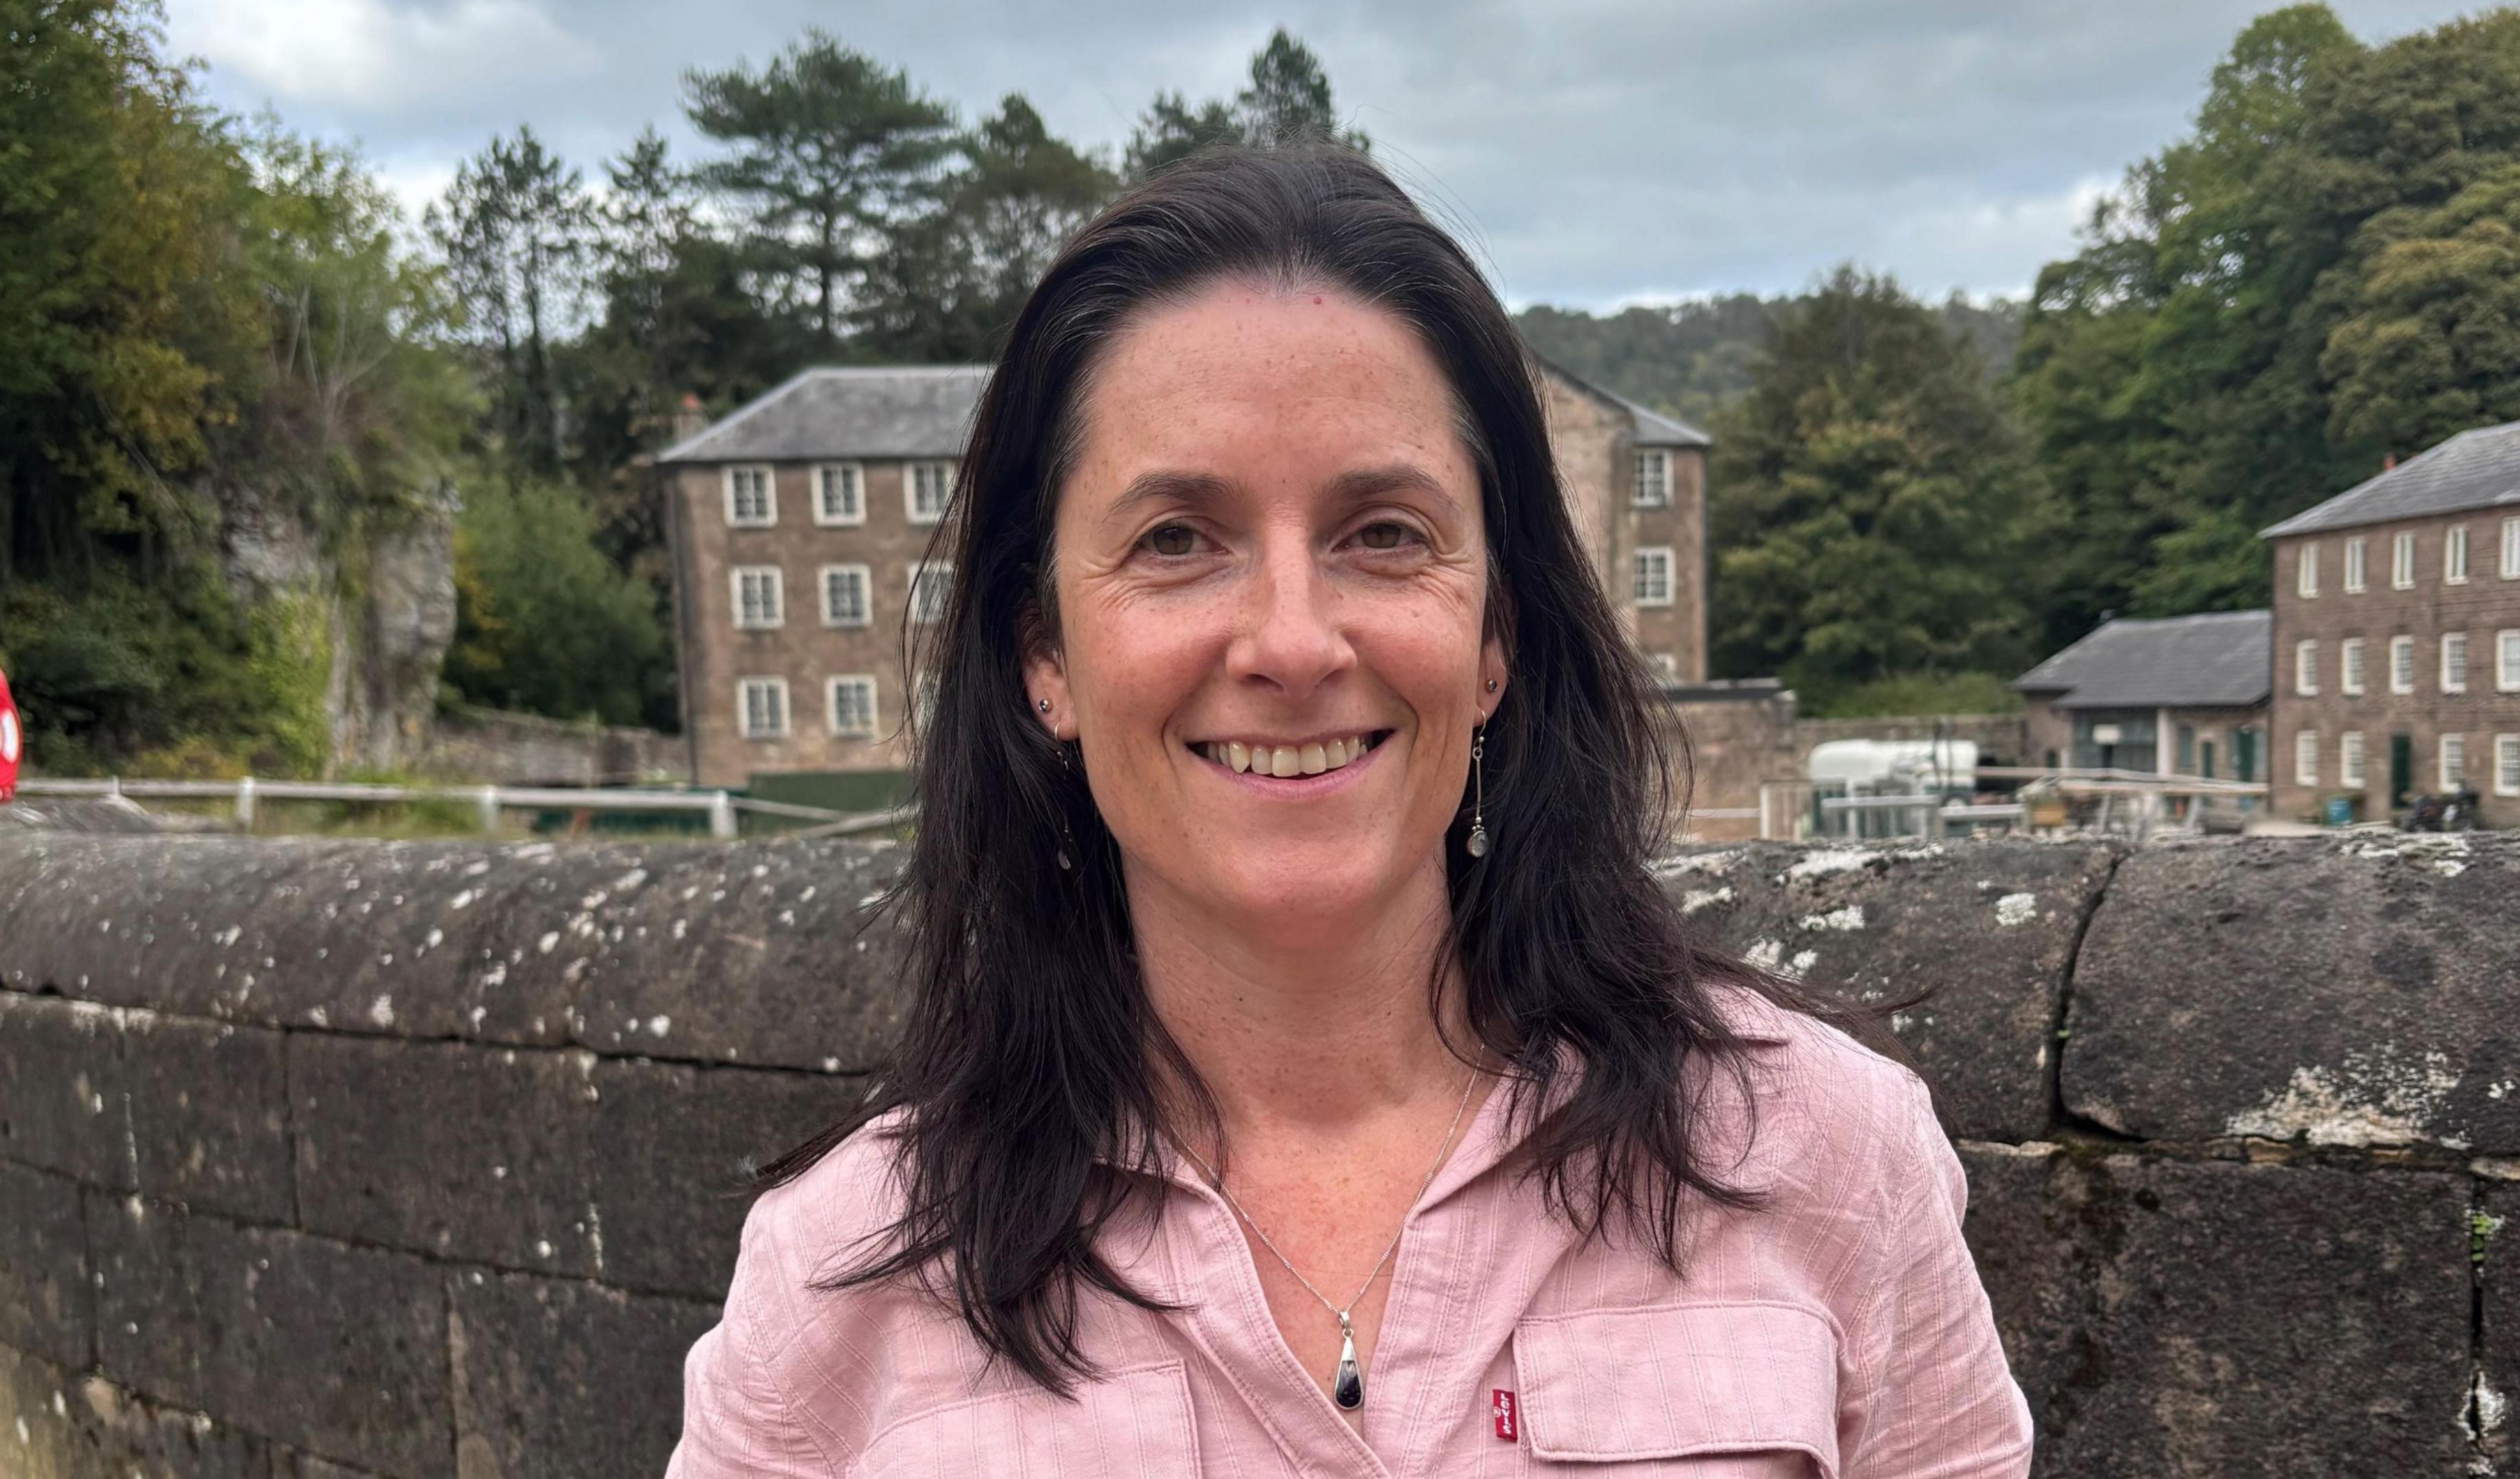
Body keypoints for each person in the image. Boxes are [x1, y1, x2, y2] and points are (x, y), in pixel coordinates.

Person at [667, 144, 2033, 1478]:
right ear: (1044, 656)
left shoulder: (1826, 1161)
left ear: (1493, 633)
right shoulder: (843, 1280)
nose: (1292, 641)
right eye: (1176, 541)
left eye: (1381, 531)